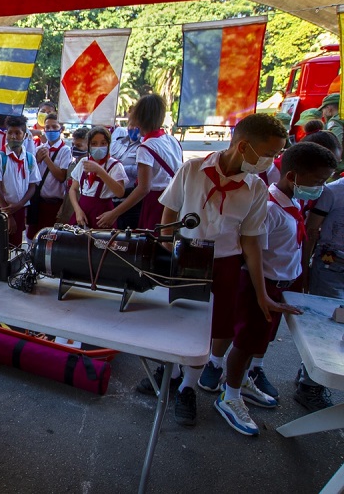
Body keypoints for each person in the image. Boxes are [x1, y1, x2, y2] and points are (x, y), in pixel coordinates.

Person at [143, 113, 296, 428]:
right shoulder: (193, 170)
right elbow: (169, 212)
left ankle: (188, 387)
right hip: (187, 257)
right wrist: (169, 250)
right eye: (268, 154)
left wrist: (261, 292)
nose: (272, 161)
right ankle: (170, 371)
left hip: (226, 262)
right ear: (242, 147)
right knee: (178, 322)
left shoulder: (255, 187)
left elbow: (251, 242)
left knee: (220, 330)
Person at [215, 143, 333, 435]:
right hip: (260, 285)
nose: (322, 188)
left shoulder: (292, 202)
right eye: (318, 181)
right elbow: (251, 252)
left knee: (260, 339)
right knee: (244, 342)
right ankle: (229, 397)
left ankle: (241, 382)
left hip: (279, 284)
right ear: (293, 176)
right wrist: (261, 294)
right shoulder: (269, 208)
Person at [297, 145, 344, 411]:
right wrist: (305, 271)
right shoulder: (332, 191)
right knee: (323, 329)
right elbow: (311, 231)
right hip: (331, 268)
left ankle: (313, 376)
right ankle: (310, 385)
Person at [98, 95, 183, 230]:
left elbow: (143, 188)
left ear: (139, 118)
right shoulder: (172, 140)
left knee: (152, 244)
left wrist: (114, 213)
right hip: (174, 200)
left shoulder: (145, 147)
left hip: (156, 203)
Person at [0, 116, 41, 247]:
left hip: (19, 209)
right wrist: (8, 215)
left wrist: (19, 205)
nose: (13, 136)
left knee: (16, 245)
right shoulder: (0, 158)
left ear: (24, 135)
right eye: (10, 132)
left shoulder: (29, 159)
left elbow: (32, 187)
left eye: (17, 133)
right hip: (2, 209)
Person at [67, 126, 127, 229]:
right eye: (94, 144)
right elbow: (73, 189)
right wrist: (77, 210)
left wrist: (100, 171)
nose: (98, 147)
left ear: (108, 144)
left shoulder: (115, 166)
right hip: (83, 212)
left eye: (103, 143)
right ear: (88, 145)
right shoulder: (83, 162)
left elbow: (120, 192)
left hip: (102, 215)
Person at [26, 113, 70, 240]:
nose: (50, 130)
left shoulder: (65, 150)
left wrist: (47, 159)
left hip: (54, 202)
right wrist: (37, 160)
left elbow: (62, 176)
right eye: (47, 127)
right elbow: (31, 175)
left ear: (61, 129)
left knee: (51, 238)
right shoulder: (39, 148)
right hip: (38, 201)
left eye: (54, 127)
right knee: (33, 236)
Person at [108, 111, 143, 229]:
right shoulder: (118, 142)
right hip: (112, 197)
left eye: (137, 126)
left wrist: (120, 168)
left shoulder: (144, 146)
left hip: (131, 199)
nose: (133, 128)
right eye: (131, 125)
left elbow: (142, 171)